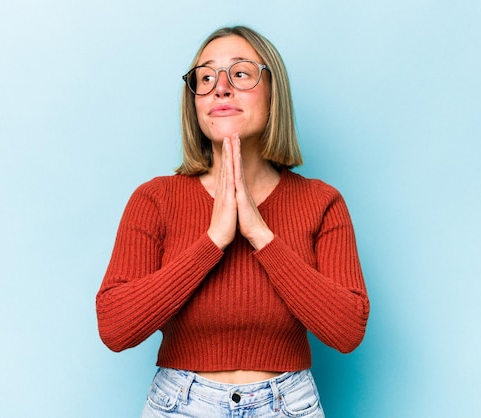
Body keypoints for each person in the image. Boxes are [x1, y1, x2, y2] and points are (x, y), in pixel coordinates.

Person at [96, 25, 369, 417]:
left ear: (274, 95)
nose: (220, 88)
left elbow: (346, 331)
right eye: (206, 78)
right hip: (180, 403)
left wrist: (260, 234)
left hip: (287, 405)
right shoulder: (154, 199)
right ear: (195, 104)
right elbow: (115, 327)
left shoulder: (322, 202)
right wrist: (214, 241)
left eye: (240, 73)